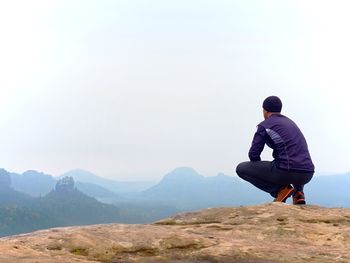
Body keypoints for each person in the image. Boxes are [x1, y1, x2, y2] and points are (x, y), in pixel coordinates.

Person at [236, 96, 315, 205]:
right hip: (307, 173)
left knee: (241, 169)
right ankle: (298, 193)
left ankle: (280, 190)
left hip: (286, 172)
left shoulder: (265, 125)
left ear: (265, 110)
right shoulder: (291, 123)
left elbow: (253, 154)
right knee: (295, 159)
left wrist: (259, 169)